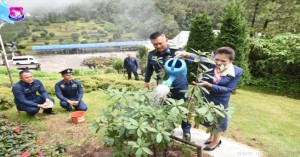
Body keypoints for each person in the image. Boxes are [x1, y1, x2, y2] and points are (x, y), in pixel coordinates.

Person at [176, 47, 243, 151]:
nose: (219, 63)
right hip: (206, 96)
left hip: (221, 99)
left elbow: (229, 89)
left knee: (218, 120)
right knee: (208, 117)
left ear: (231, 61)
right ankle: (211, 137)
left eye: (223, 61)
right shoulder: (211, 63)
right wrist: (185, 54)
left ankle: (216, 141)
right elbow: (199, 58)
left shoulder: (237, 71)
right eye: (217, 59)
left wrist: (210, 85)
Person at [144, 31, 191, 140]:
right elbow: (149, 68)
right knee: (163, 107)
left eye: (160, 43)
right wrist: (146, 81)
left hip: (180, 86)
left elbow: (190, 63)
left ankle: (186, 130)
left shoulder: (177, 51)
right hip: (163, 86)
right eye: (155, 44)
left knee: (183, 108)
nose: (158, 46)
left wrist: (185, 56)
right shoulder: (152, 54)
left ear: (167, 40)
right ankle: (167, 128)